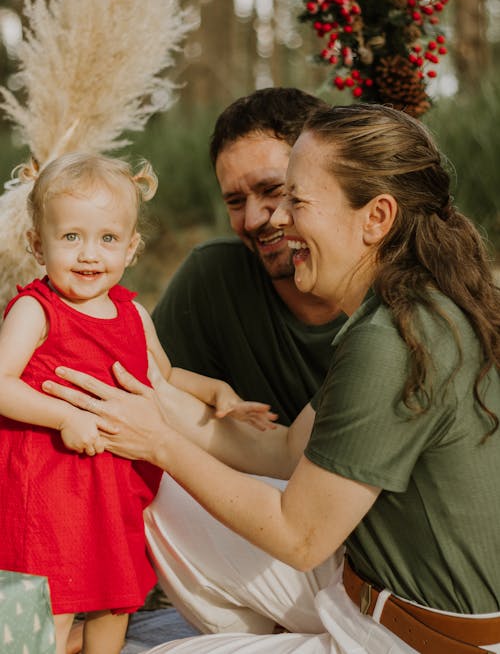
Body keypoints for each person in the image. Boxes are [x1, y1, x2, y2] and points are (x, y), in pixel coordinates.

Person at [47, 103, 500, 653]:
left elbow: (300, 536)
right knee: (152, 490)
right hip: (368, 587)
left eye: (297, 199)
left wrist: (160, 441)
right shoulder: (409, 305)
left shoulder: (394, 341)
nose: (277, 218)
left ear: (376, 218)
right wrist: (153, 394)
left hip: (407, 639)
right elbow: (287, 450)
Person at [0, 152, 275, 654]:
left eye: (106, 239)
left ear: (131, 248)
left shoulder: (132, 313)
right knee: (51, 608)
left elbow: (162, 375)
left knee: (115, 600)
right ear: (38, 245)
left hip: (111, 487)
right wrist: (65, 415)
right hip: (47, 488)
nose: (89, 254)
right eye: (71, 238)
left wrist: (216, 391)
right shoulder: (36, 311)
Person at [146, 87, 347, 635]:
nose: (257, 218)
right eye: (235, 201)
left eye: (273, 190)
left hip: (376, 557)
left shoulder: (386, 312)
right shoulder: (213, 279)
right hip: (271, 537)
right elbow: (275, 452)